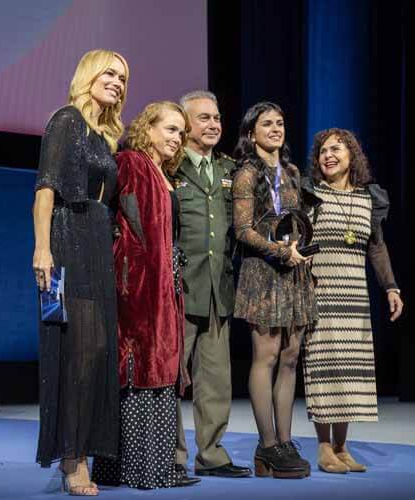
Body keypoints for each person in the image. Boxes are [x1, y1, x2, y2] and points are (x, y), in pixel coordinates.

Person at [32, 49, 128, 496]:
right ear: (88, 74)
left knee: (97, 349)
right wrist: (42, 250)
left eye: (123, 77)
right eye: (110, 72)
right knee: (79, 351)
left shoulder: (106, 136)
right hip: (67, 244)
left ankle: (82, 449)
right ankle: (73, 459)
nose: (118, 82)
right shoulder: (67, 120)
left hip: (97, 245)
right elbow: (45, 190)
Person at [91, 101, 195, 490]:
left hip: (162, 287)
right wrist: (137, 283)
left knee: (162, 368)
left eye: (180, 132)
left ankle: (158, 467)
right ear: (147, 128)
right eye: (169, 129)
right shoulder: (133, 162)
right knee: (139, 369)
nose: (176, 138)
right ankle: (136, 469)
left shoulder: (163, 173)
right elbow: (132, 228)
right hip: (140, 289)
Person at [301, 128, 404, 474]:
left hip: (355, 295)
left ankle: (343, 446)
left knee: (349, 371)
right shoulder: (310, 193)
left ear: (352, 156)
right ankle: (323, 447)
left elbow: (376, 246)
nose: (328, 156)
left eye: (336, 149)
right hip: (321, 291)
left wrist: (391, 287)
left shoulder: (369, 198)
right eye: (322, 151)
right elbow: (297, 240)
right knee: (324, 368)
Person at [231, 101, 317, 479]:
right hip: (263, 272)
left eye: (280, 123)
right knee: (265, 356)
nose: (276, 129)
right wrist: (279, 250)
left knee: (290, 356)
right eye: (267, 124)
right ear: (251, 134)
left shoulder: (294, 173)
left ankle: (284, 441)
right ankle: (266, 445)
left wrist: (303, 250)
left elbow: (298, 219)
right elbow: (242, 229)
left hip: (294, 271)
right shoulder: (247, 174)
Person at [171, 91, 251, 479]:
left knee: (216, 381)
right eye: (203, 118)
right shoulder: (169, 168)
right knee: (170, 378)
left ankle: (213, 455)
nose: (214, 124)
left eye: (217, 118)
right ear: (185, 124)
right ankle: (170, 456)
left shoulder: (229, 170)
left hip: (219, 290)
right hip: (179, 291)